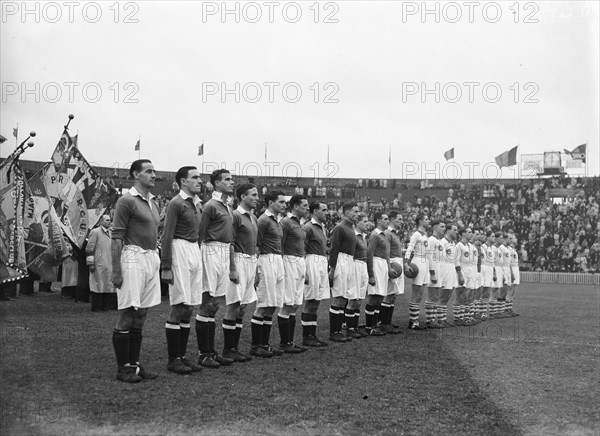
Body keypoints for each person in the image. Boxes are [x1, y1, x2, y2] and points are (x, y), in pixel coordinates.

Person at [111, 159, 160, 383]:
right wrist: (116, 271)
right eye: (148, 171)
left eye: (154, 171)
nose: (153, 174)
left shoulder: (153, 203)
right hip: (132, 257)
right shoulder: (126, 200)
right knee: (128, 313)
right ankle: (124, 368)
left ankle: (134, 365)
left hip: (151, 257)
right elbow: (116, 237)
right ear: (135, 175)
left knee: (141, 314)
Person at [160, 166, 204, 375]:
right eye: (195, 178)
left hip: (194, 250)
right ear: (183, 182)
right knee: (179, 306)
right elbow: (166, 235)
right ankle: (173, 359)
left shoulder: (197, 204)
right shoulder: (176, 203)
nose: (199, 181)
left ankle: (182, 356)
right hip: (179, 250)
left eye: (200, 177)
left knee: (189, 307)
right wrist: (166, 266)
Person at [196, 169, 236, 368]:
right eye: (227, 180)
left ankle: (211, 351)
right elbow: (200, 234)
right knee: (207, 302)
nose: (231, 182)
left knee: (215, 305)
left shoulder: (227, 206)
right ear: (216, 183)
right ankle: (204, 354)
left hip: (223, 252)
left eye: (231, 179)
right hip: (210, 250)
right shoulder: (210, 205)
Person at [226, 183, 260, 361]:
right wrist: (232, 268)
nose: (257, 198)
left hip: (251, 261)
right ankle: (228, 349)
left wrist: (257, 269)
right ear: (242, 197)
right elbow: (230, 244)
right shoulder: (235, 216)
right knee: (234, 305)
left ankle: (235, 348)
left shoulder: (253, 218)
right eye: (253, 195)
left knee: (244, 307)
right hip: (238, 260)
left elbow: (256, 245)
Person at [251, 190, 287, 357]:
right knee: (263, 304)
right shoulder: (263, 220)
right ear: (271, 203)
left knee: (273, 304)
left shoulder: (278, 221)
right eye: (280, 202)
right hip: (266, 261)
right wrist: (257, 269)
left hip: (278, 261)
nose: (284, 205)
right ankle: (256, 345)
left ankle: (265, 344)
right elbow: (256, 245)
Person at [279, 195, 309, 353]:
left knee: (296, 303)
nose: (307, 208)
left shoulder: (300, 223)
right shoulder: (285, 222)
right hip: (288, 262)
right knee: (287, 303)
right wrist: (282, 267)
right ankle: (285, 342)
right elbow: (281, 246)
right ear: (295, 206)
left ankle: (290, 341)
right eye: (304, 205)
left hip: (299, 262)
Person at [328, 202, 359, 342]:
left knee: (344, 298)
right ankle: (334, 332)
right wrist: (332, 269)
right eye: (355, 211)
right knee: (338, 297)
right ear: (346, 213)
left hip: (349, 261)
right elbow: (334, 249)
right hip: (341, 260)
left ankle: (339, 330)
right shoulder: (340, 228)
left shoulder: (351, 228)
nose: (357, 214)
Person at [301, 202, 330, 347]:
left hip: (322, 262)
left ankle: (312, 334)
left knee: (317, 300)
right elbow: (302, 248)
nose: (327, 212)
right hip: (311, 261)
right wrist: (305, 270)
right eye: (323, 210)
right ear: (314, 211)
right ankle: (307, 336)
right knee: (310, 299)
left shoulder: (323, 227)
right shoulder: (308, 227)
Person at [365, 211, 390, 336]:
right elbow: (369, 254)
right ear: (378, 221)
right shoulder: (374, 235)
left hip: (383, 265)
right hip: (376, 265)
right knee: (374, 296)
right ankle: (370, 326)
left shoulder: (383, 235)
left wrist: (388, 267)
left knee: (379, 297)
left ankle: (375, 325)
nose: (387, 221)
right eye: (385, 219)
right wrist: (371, 274)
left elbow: (386, 254)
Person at [404, 214, 431, 330]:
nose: (428, 221)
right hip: (418, 262)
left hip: (425, 263)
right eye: (426, 219)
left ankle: (415, 319)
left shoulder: (425, 235)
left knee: (420, 294)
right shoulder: (416, 234)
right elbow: (409, 248)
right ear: (420, 221)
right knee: (416, 294)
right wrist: (406, 263)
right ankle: (412, 321)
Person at [87, 214, 116, 312]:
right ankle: (96, 307)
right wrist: (91, 263)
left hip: (109, 263)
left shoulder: (111, 233)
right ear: (101, 221)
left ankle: (105, 306)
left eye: (110, 220)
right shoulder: (95, 232)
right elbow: (89, 248)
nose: (109, 222)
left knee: (108, 285)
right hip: (98, 263)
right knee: (98, 285)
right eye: (107, 220)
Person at [381, 211, 404, 334]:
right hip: (393, 264)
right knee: (389, 293)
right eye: (399, 219)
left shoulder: (395, 234)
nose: (401, 221)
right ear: (392, 220)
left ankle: (387, 322)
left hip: (398, 263)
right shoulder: (388, 233)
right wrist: (389, 266)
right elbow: (386, 252)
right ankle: (384, 323)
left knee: (393, 295)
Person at [351, 213, 370, 337]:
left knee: (359, 299)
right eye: (364, 221)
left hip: (363, 265)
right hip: (355, 265)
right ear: (357, 223)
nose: (367, 223)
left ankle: (355, 326)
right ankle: (350, 328)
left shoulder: (363, 237)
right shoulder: (353, 236)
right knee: (353, 298)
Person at [425, 219, 445, 328]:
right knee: (432, 295)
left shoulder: (440, 241)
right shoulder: (431, 240)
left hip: (440, 268)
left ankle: (433, 318)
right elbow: (429, 257)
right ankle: (429, 320)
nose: (444, 229)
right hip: (434, 269)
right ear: (435, 227)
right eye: (442, 226)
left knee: (436, 295)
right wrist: (432, 273)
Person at [480, 230, 497, 321]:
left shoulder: (492, 248)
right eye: (493, 236)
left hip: (490, 270)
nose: (494, 238)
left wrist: (494, 273)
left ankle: (483, 312)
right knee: (481, 291)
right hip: (484, 270)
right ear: (488, 237)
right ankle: (478, 312)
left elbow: (493, 263)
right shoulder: (483, 247)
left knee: (487, 292)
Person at [507, 234, 520, 317]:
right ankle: (506, 308)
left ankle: (509, 308)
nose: (516, 239)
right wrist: (511, 272)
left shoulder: (514, 249)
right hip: (512, 269)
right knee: (510, 289)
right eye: (514, 238)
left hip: (515, 268)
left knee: (513, 290)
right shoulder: (509, 250)